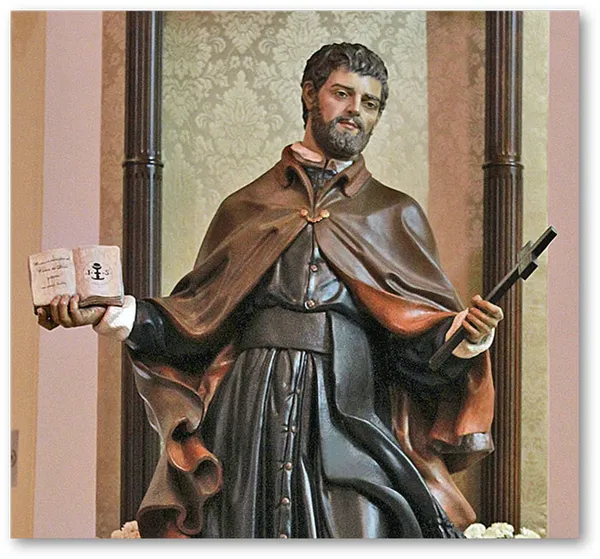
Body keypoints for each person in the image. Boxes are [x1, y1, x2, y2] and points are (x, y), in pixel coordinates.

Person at [38, 43, 503, 539]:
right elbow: (195, 317)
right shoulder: (248, 206)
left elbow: (416, 347)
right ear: (309, 95)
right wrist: (111, 312)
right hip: (249, 412)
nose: (355, 111)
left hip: (353, 413)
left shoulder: (393, 214)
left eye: (369, 103)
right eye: (342, 94)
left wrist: (464, 337)